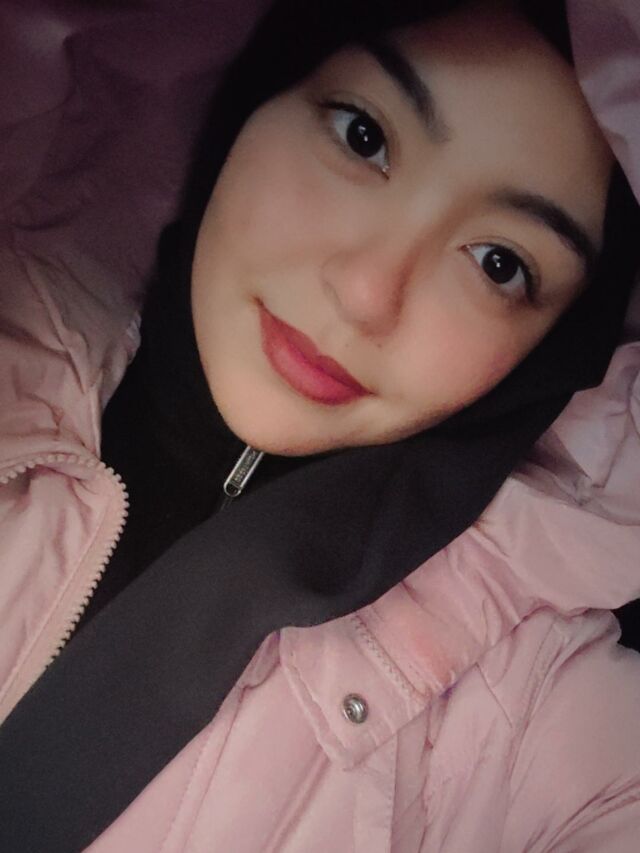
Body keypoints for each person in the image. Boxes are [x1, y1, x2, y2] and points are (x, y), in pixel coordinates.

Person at [0, 0, 639, 850]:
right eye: (363, 137)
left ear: (556, 350)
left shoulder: (530, 714)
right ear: (264, 82)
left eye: (500, 263)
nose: (367, 292)